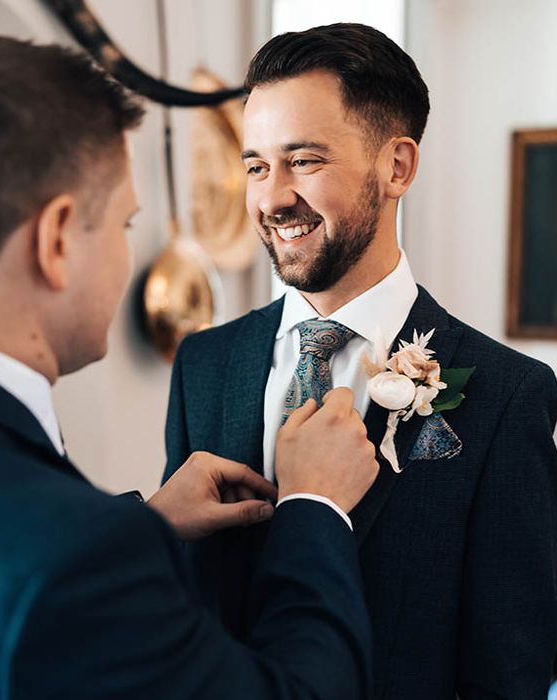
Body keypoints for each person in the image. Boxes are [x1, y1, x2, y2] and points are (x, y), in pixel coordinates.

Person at [0, 36, 380, 699]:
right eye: (124, 225)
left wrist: (145, 526)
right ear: (58, 239)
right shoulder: (69, 558)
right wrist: (315, 506)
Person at [163, 23, 557, 700]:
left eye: (305, 160)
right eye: (257, 164)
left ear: (397, 166)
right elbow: (173, 612)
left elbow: (510, 672)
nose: (272, 197)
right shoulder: (204, 363)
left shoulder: (507, 394)